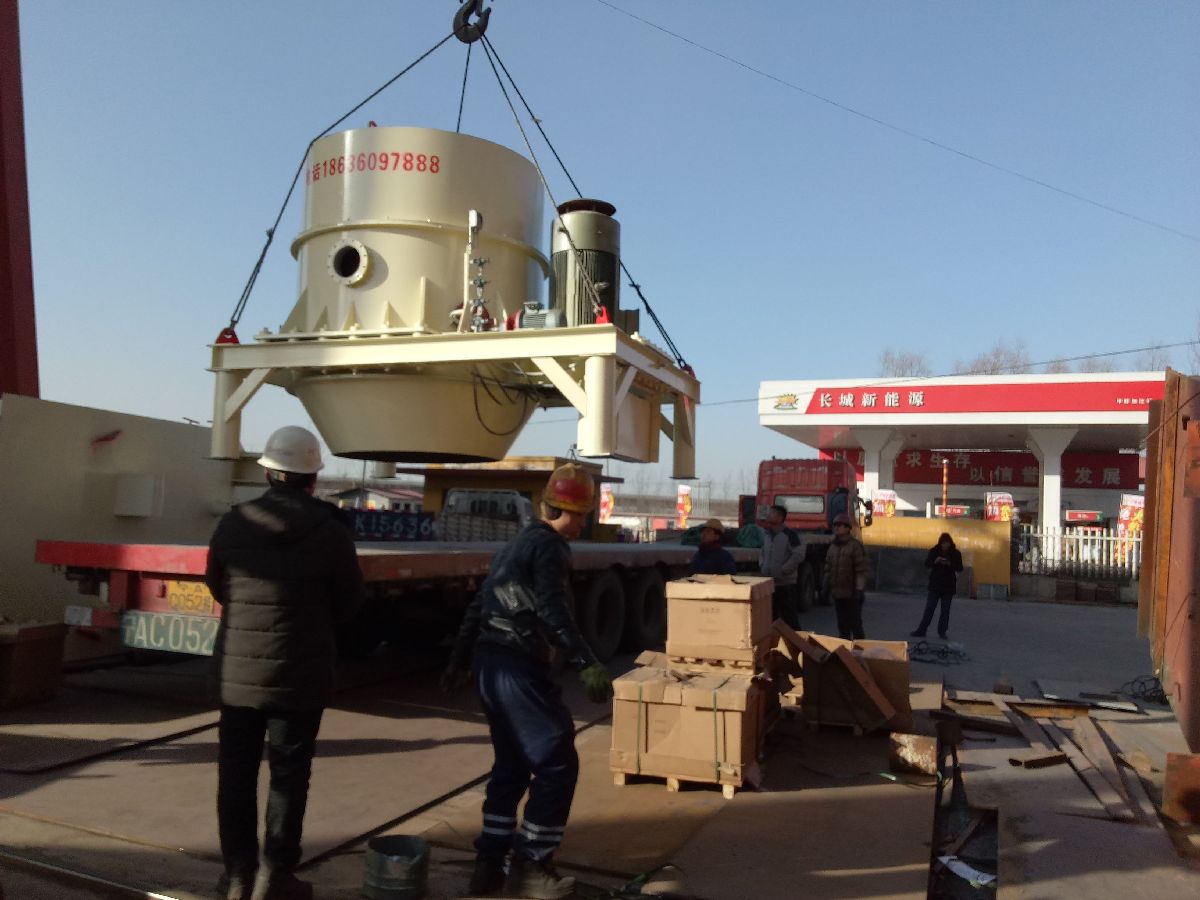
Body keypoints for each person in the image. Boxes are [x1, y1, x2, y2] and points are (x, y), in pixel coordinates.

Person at [205, 426, 365, 900]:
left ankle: (236, 877)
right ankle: (275, 878)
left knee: (235, 775)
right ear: (312, 477)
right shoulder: (332, 531)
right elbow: (349, 606)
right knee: (289, 777)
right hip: (300, 676)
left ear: (269, 472)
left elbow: (218, 587)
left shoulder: (233, 523)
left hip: (238, 678)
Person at [442, 462, 613, 899]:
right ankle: (532, 865)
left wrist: (460, 659)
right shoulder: (551, 547)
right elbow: (553, 612)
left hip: (490, 663)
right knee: (557, 763)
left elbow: (479, 605)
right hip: (517, 667)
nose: (580, 524)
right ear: (558, 510)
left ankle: (488, 865)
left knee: (512, 764)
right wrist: (586, 661)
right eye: (577, 515)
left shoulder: (514, 545)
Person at [822, 513, 869, 640]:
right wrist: (825, 587)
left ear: (848, 528)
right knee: (842, 625)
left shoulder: (855, 546)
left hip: (852, 593)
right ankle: (845, 649)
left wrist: (859, 589)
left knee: (855, 624)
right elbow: (828, 568)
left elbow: (861, 569)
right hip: (838, 593)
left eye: (840, 525)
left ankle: (860, 649)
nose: (836, 527)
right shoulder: (833, 546)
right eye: (835, 525)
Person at [911, 532, 964, 640]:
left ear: (950, 543)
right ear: (940, 543)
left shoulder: (956, 553)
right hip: (935, 585)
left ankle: (942, 632)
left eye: (947, 543)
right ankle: (922, 630)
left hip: (948, 586)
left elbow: (960, 568)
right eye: (943, 543)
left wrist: (950, 564)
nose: (945, 545)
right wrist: (935, 562)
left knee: (945, 611)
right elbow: (927, 564)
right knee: (929, 608)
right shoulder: (934, 551)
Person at [758, 504, 804, 628]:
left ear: (780, 517)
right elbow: (763, 552)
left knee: (789, 619)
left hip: (785, 584)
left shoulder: (789, 535)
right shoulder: (767, 534)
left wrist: (783, 570)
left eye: (772, 513)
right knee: (770, 618)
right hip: (769, 583)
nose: (768, 515)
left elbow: (798, 555)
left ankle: (795, 640)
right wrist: (762, 565)